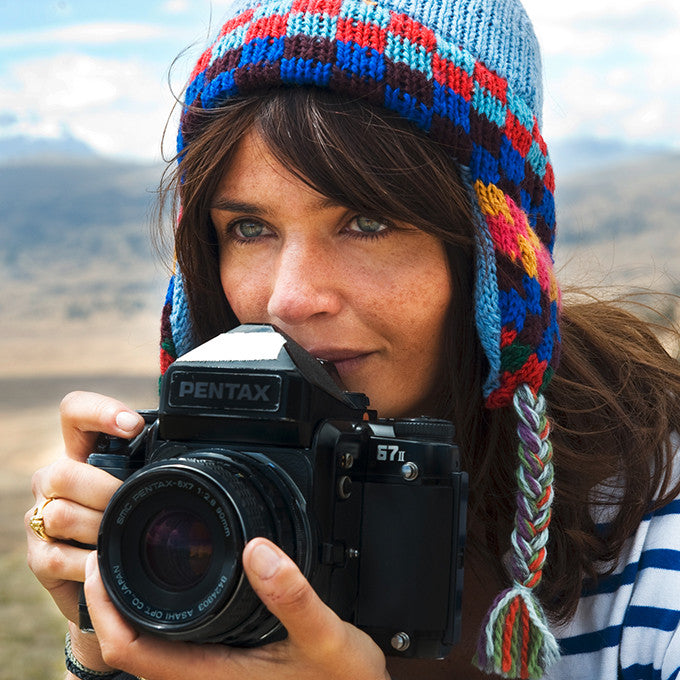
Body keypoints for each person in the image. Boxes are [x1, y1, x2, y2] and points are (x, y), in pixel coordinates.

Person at [24, 0, 680, 678]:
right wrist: (109, 640)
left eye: (367, 221)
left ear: (492, 261)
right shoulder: (207, 520)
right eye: (250, 229)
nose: (289, 298)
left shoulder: (657, 553)